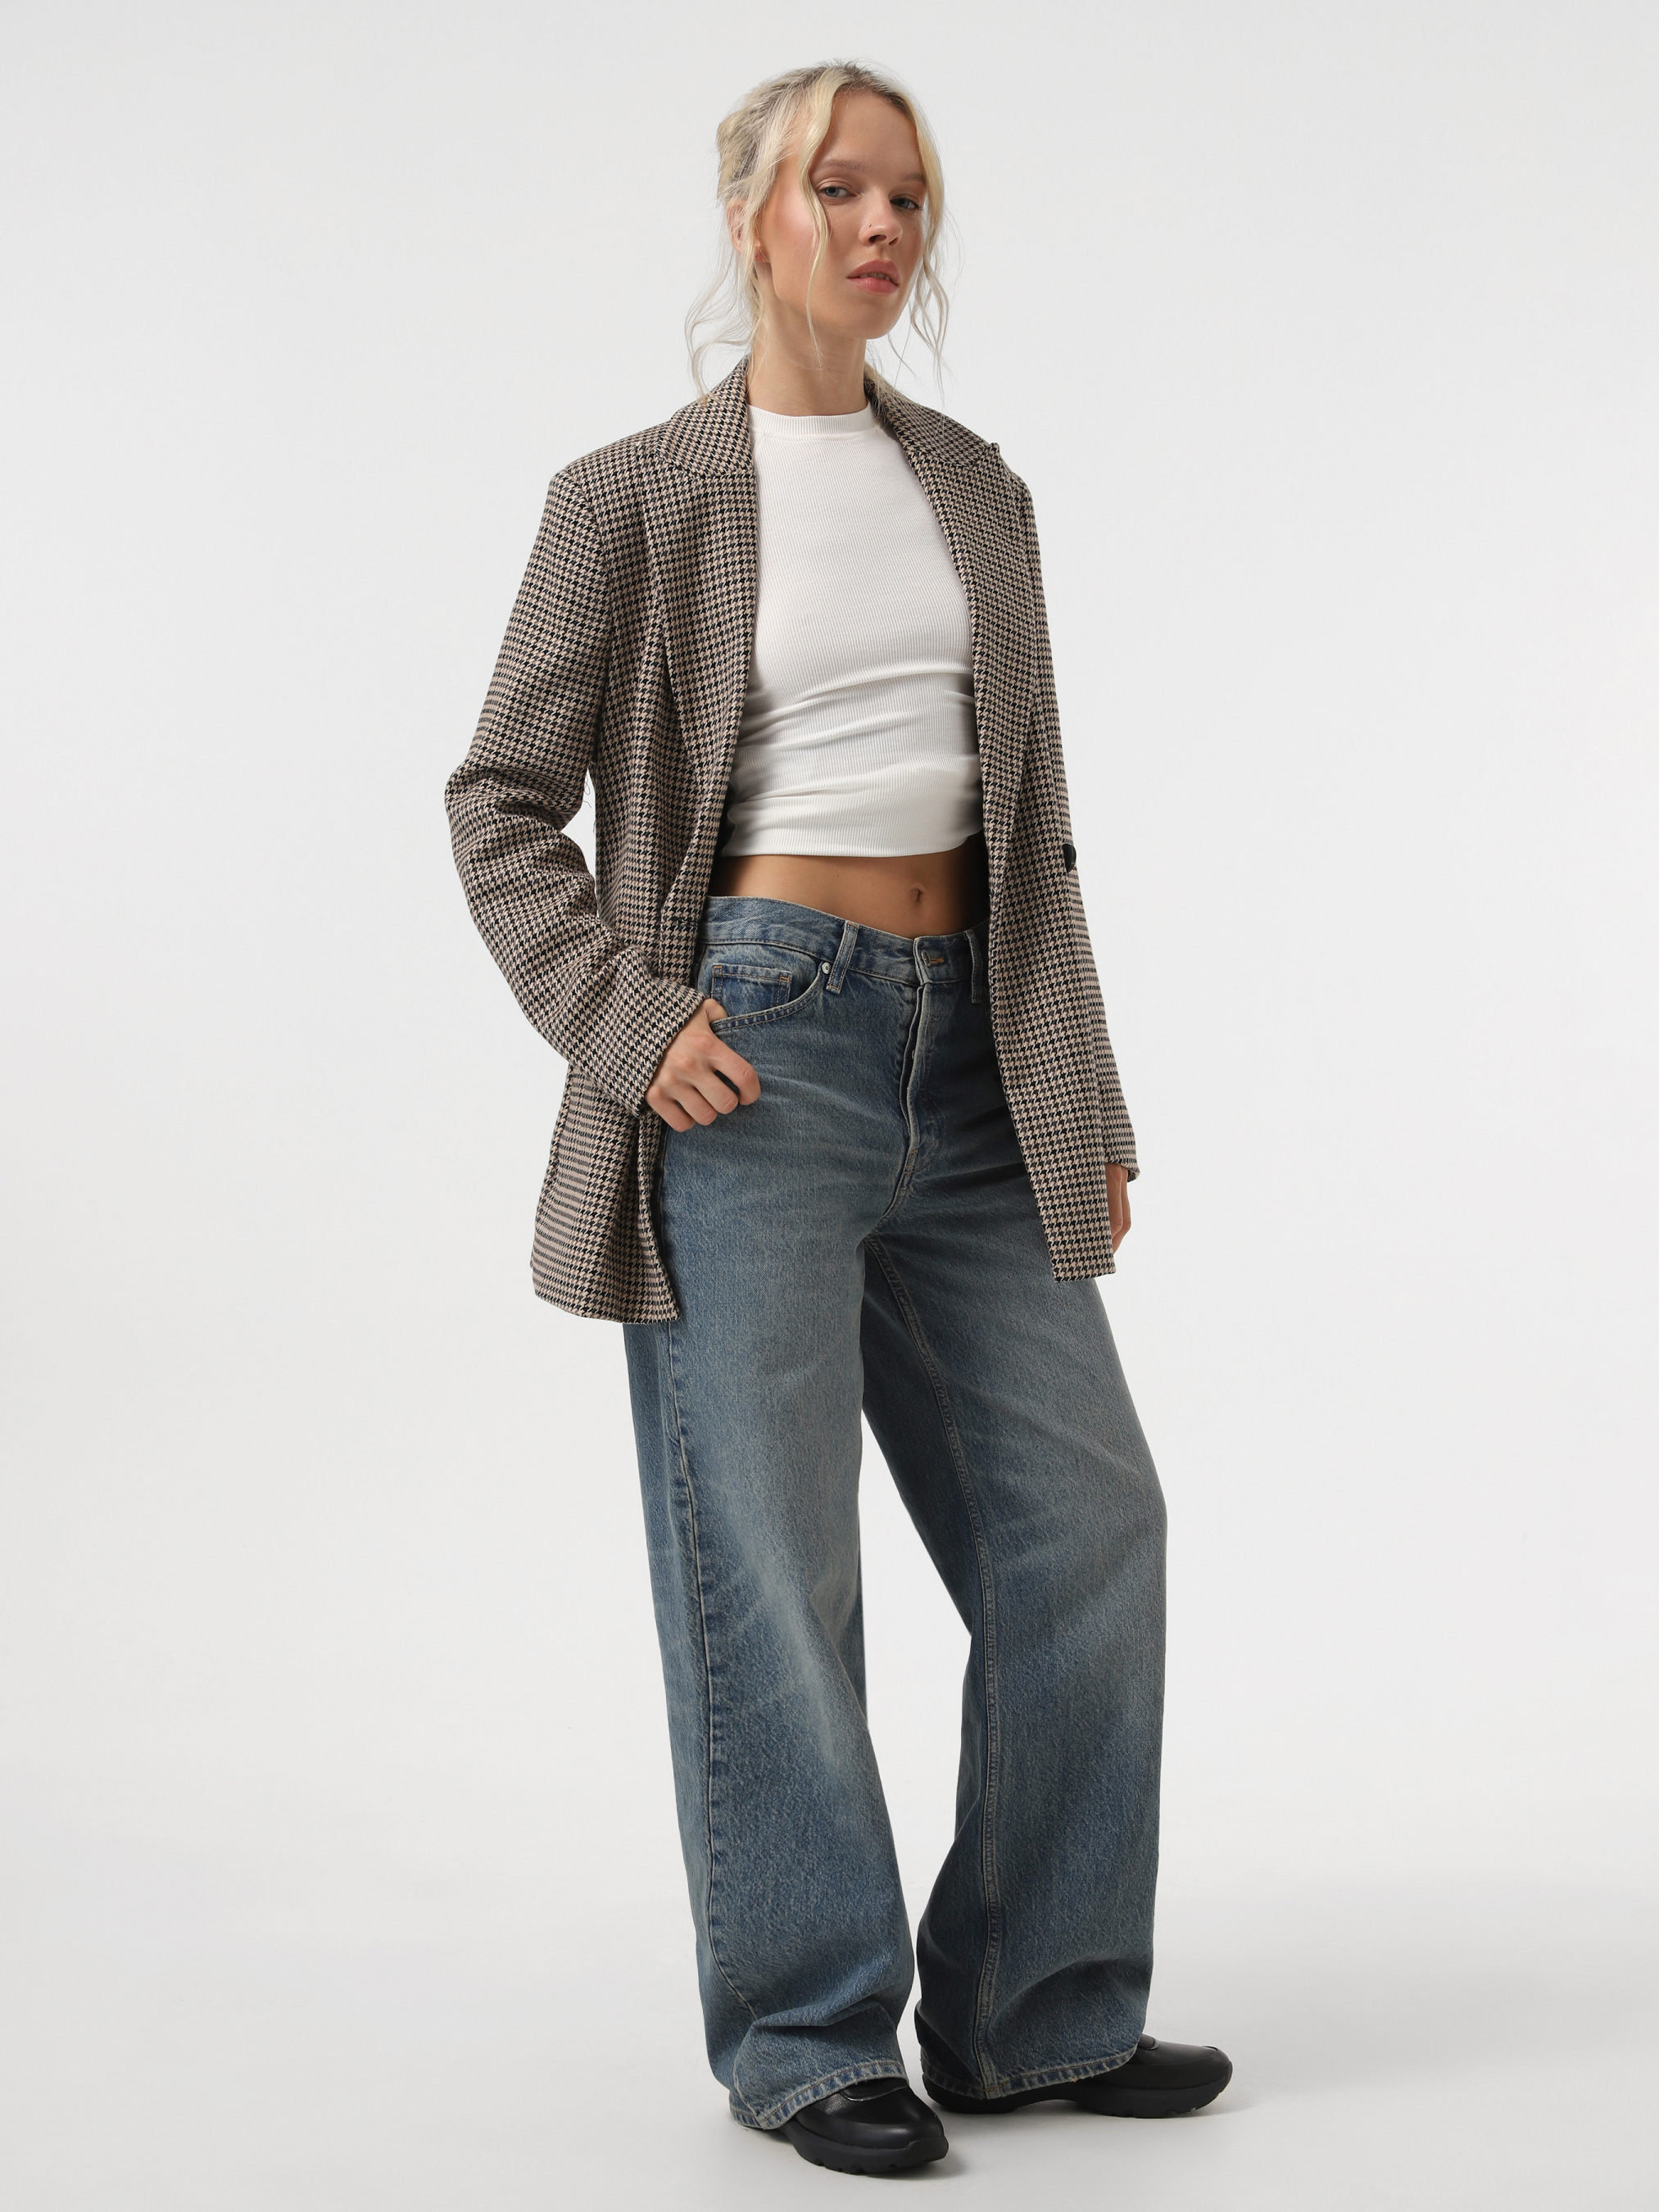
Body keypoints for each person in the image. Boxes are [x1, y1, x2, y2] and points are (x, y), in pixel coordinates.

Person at [445, 61, 1231, 2178]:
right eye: (839, 188)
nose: (882, 225)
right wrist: (624, 1023)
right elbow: (499, 802)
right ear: (752, 215)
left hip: (976, 1063)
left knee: (1092, 1529)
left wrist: (1078, 1090)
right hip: (756, 1054)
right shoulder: (633, 497)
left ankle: (1037, 2009)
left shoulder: (974, 486)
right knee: (772, 1570)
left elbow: (1035, 832)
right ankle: (809, 2035)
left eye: (909, 196)